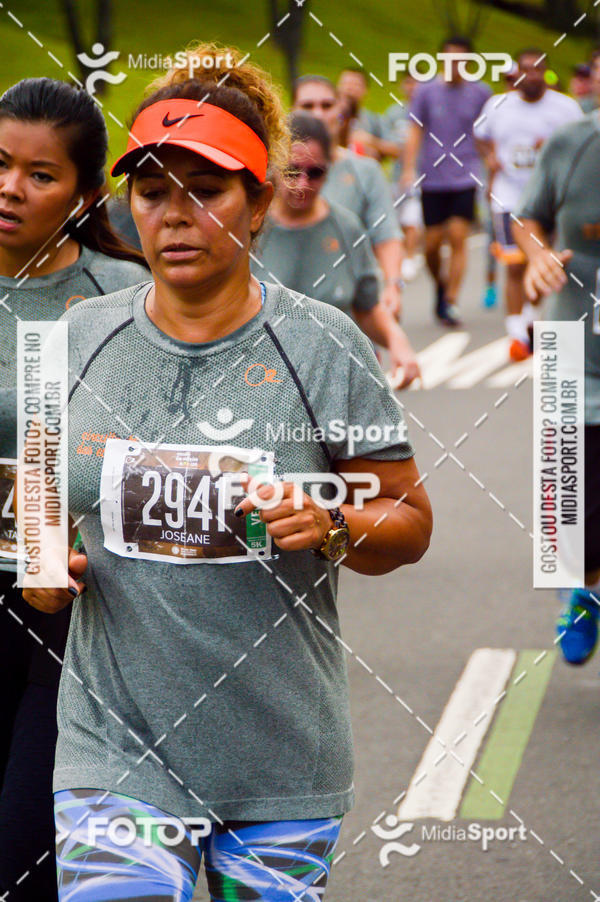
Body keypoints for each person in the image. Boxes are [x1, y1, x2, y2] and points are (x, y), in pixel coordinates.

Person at [21, 45, 432, 901]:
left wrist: (331, 524)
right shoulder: (74, 337)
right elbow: (37, 505)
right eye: (153, 191)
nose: (174, 215)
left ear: (258, 206)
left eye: (205, 191)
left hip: (279, 759)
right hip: (114, 751)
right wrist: (43, 569)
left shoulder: (321, 344)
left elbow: (407, 519)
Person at [0, 78, 148, 902]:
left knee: (27, 860)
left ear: (88, 193)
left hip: (71, 616)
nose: (10, 187)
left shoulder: (121, 300)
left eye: (40, 173)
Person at [513, 112, 600, 666]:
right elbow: (527, 219)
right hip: (575, 358)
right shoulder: (571, 143)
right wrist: (539, 258)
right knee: (577, 517)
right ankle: (585, 597)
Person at [255, 112, 420, 388]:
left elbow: (367, 306)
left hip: (335, 384)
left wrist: (397, 341)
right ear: (275, 166)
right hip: (265, 382)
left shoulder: (346, 228)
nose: (303, 183)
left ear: (330, 169)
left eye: (315, 173)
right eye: (293, 171)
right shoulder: (251, 228)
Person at [475, 49, 582, 361]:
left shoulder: (565, 108)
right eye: (525, 70)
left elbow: (581, 145)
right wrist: (490, 157)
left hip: (551, 199)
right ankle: (517, 334)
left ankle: (534, 322)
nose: (531, 76)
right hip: (510, 196)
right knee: (515, 264)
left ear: (546, 72)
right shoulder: (496, 106)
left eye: (538, 70)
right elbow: (480, 134)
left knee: (546, 262)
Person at [292, 75, 404, 318]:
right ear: (292, 111)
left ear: (340, 111)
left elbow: (386, 233)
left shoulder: (365, 170)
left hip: (353, 314)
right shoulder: (275, 172)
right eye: (308, 106)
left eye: (327, 105)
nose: (318, 114)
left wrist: (393, 285)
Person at [402, 35, 492, 325]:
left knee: (457, 237)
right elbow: (415, 130)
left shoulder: (481, 93)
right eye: (450, 59)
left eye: (461, 60)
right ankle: (440, 287)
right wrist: (408, 168)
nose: (455, 65)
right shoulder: (426, 92)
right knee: (431, 245)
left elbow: (486, 133)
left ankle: (451, 300)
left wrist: (492, 166)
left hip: (465, 175)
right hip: (432, 178)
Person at [381, 74, 424, 282]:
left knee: (412, 216)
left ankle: (410, 255)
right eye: (408, 82)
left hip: (422, 173)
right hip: (396, 175)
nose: (412, 87)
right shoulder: (393, 113)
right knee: (395, 217)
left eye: (416, 82)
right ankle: (396, 256)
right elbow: (388, 146)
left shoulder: (428, 110)